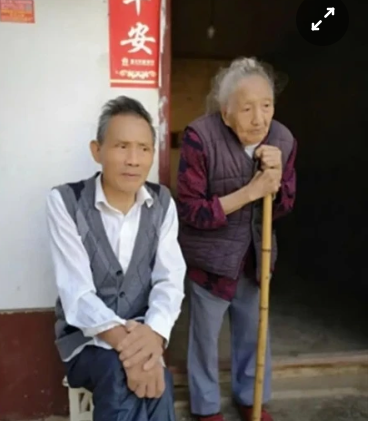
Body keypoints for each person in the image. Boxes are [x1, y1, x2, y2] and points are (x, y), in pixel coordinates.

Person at [46, 96, 186, 421]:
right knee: (119, 373)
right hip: (85, 342)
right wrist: (133, 348)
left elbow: (170, 280)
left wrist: (153, 335)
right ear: (97, 151)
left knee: (158, 381)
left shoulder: (163, 203)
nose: (133, 160)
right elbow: (76, 293)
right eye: (122, 146)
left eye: (144, 148)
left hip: (143, 335)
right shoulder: (65, 202)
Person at [176, 57, 297, 421]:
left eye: (267, 106)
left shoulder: (283, 139)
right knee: (205, 339)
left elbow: (285, 205)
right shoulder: (200, 137)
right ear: (226, 112)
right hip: (210, 262)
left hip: (255, 259)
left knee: (254, 334)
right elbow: (190, 210)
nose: (259, 119)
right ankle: (206, 407)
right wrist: (249, 192)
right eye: (247, 109)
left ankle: (251, 398)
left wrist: (275, 181)